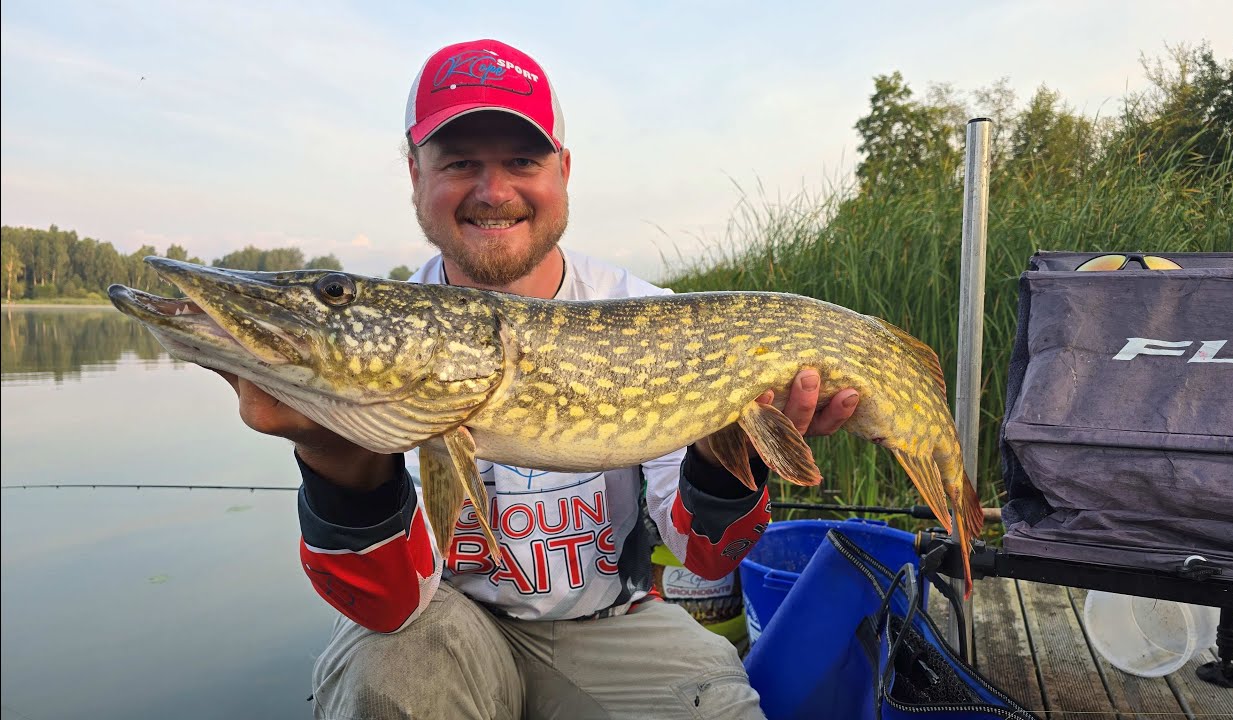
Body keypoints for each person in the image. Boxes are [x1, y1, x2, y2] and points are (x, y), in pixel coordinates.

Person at [214, 39, 861, 719]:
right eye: (461, 162)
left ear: (563, 170)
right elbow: (388, 603)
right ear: (414, 174)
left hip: (615, 623)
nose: (494, 192)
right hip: (446, 623)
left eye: (522, 160)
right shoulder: (392, 333)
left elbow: (702, 554)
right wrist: (334, 457)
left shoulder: (654, 319)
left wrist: (729, 459)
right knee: (391, 677)